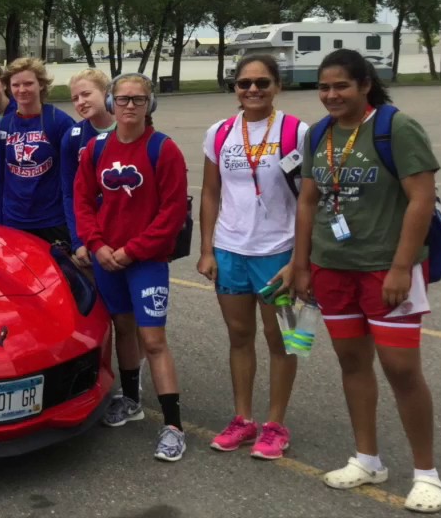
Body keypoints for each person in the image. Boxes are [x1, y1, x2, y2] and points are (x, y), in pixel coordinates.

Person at [287, 49, 441, 513]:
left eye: (341, 86)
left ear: (364, 85)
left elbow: (421, 199)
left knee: (402, 370)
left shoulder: (395, 127)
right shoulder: (319, 134)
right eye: (324, 87)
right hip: (333, 267)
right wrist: (301, 264)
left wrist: (400, 266)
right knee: (352, 363)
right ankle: (368, 459)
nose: (331, 95)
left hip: (386, 269)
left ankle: (426, 473)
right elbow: (308, 202)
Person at [74, 73, 189, 462]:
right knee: (123, 328)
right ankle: (130, 400)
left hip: (146, 261)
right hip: (108, 258)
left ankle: (173, 424)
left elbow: (172, 212)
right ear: (111, 103)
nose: (129, 106)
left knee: (153, 340)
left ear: (149, 105)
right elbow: (84, 202)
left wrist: (132, 250)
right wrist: (97, 244)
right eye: (122, 99)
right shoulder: (95, 149)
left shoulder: (163, 149)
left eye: (138, 100)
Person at [197, 54, 306, 460]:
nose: (253, 90)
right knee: (239, 337)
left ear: (277, 86)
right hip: (230, 250)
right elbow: (211, 192)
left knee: (283, 340)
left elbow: (310, 200)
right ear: (235, 88)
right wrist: (207, 249)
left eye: (262, 83)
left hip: (278, 252)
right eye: (244, 84)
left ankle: (275, 424)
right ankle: (243, 419)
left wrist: (299, 260)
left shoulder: (297, 131)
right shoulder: (220, 132)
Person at [0, 57, 76, 246]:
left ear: (41, 85)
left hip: (52, 219)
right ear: (9, 88)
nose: (22, 90)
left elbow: (73, 177)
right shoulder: (2, 125)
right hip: (14, 219)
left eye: (28, 83)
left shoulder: (59, 122)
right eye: (16, 85)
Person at [61, 69, 116, 265]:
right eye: (75, 98)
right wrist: (78, 240)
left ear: (106, 93)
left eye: (86, 94)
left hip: (128, 229)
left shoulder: (131, 129)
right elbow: (69, 193)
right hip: (93, 232)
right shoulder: (73, 137)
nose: (80, 102)